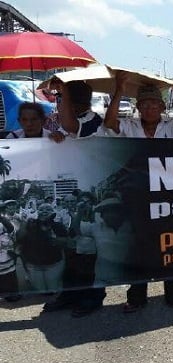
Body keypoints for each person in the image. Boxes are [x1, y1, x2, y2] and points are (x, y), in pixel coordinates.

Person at [103, 72, 173, 312]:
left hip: (167, 198)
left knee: (170, 245)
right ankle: (136, 296)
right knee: (138, 248)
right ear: (138, 107)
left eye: (154, 104)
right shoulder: (129, 126)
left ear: (160, 107)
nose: (149, 108)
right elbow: (110, 124)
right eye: (144, 104)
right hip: (136, 198)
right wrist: (119, 89)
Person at [40, 80, 108, 317]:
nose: (61, 105)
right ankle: (70, 293)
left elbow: (71, 124)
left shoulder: (93, 121)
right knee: (71, 248)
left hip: (89, 196)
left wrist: (64, 92)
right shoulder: (69, 122)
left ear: (79, 103)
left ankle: (92, 296)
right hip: (69, 194)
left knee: (88, 251)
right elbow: (65, 130)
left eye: (65, 100)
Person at [15, 203, 68, 292]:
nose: (44, 211)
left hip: (54, 264)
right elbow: (20, 238)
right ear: (37, 212)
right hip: (34, 265)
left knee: (52, 290)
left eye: (48, 209)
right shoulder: (30, 224)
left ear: (53, 212)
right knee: (41, 291)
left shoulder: (58, 226)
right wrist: (24, 223)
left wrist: (51, 234)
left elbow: (65, 242)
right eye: (41, 209)